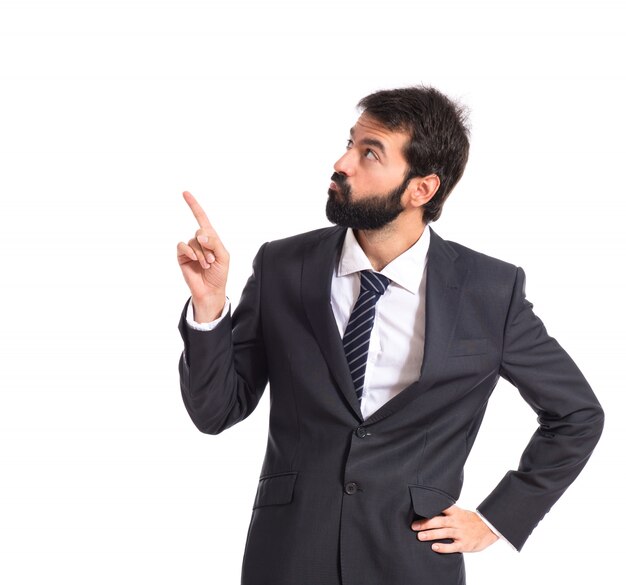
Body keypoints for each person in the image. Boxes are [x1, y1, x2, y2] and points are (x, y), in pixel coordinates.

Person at [176, 86, 604, 585]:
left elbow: (576, 415)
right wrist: (209, 308)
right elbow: (216, 412)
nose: (342, 163)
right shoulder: (282, 266)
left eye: (369, 153)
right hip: (288, 555)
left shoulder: (489, 291)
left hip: (412, 560)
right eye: (350, 143)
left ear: (421, 189)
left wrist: (495, 520)